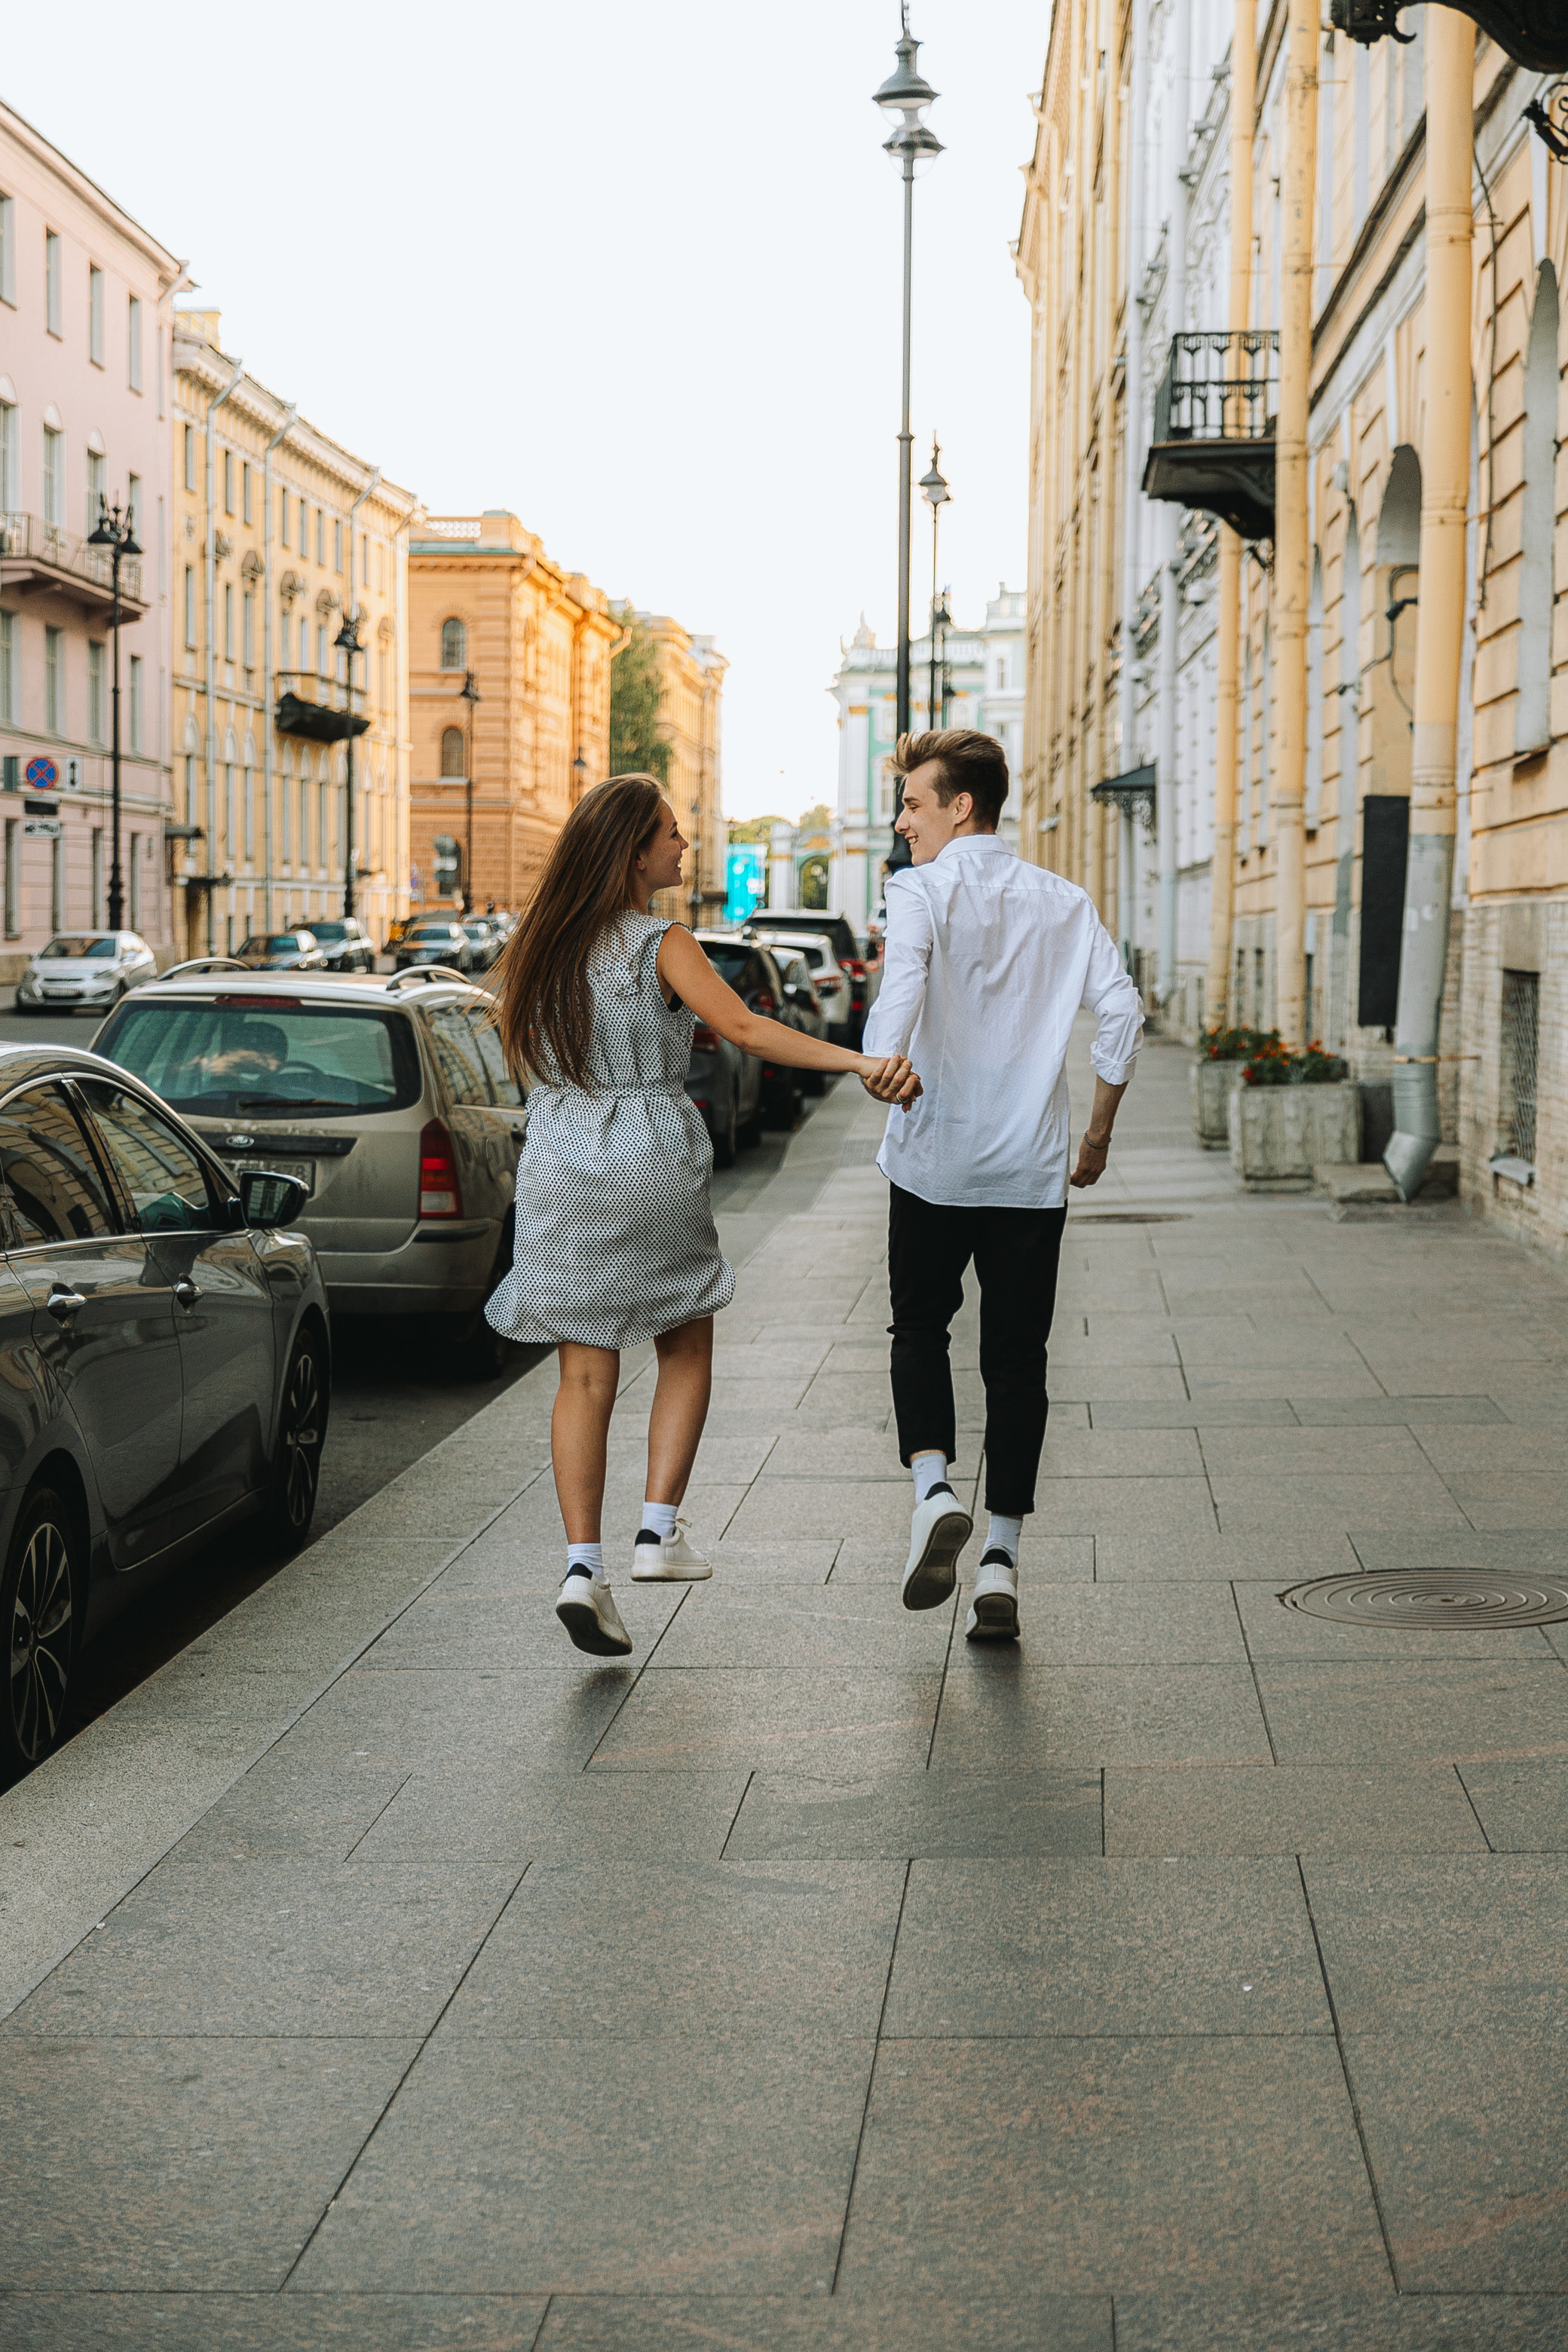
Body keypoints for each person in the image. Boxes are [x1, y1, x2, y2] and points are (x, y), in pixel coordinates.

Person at [487, 773, 920, 1659]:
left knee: (582, 1372)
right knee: (684, 1340)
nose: (683, 846)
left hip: (562, 1156)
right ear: (632, 851)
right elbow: (751, 1029)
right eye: (670, 835)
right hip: (645, 1150)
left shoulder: (538, 944)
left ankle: (580, 1567)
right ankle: (656, 1533)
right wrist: (859, 1062)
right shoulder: (661, 941)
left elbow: (525, 1054)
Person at [862, 729, 1143, 1643]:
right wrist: (1094, 1136)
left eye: (912, 803)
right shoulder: (1063, 901)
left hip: (934, 1160)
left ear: (960, 808)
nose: (900, 822)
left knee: (918, 1327)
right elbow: (1122, 1014)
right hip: (1028, 1171)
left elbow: (898, 991)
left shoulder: (918, 893)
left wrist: (880, 1067)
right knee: (1018, 1364)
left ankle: (933, 1488)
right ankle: (1000, 1560)